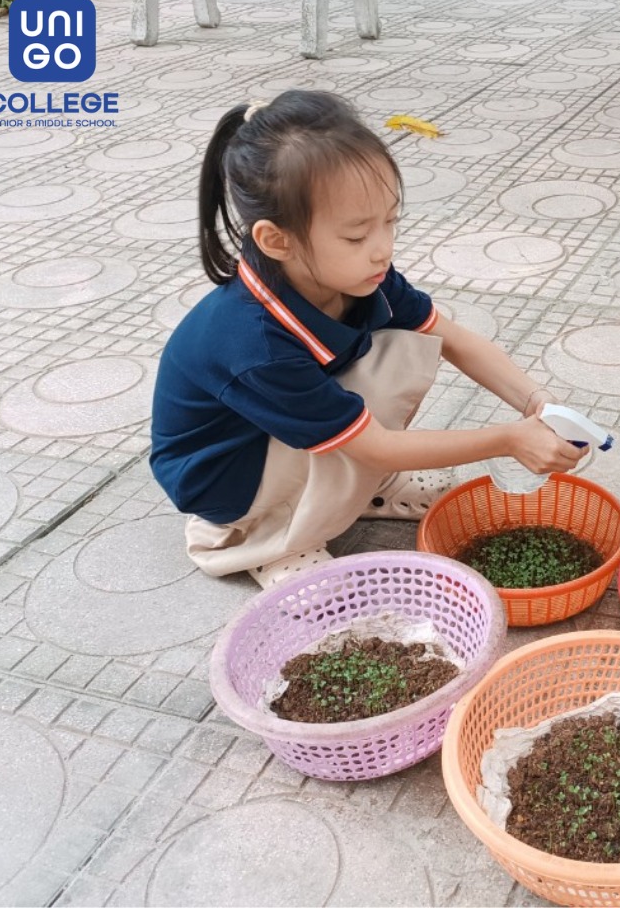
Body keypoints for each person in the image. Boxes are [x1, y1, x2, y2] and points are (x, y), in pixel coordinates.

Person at [150, 89, 580, 589]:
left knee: (405, 344)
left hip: (282, 432)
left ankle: (362, 492)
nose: (383, 250)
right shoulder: (254, 341)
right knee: (357, 431)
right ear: (276, 240)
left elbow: (453, 338)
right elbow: (376, 446)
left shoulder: (358, 275)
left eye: (390, 222)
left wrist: (537, 405)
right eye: (356, 235)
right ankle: (271, 541)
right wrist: (509, 440)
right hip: (227, 477)